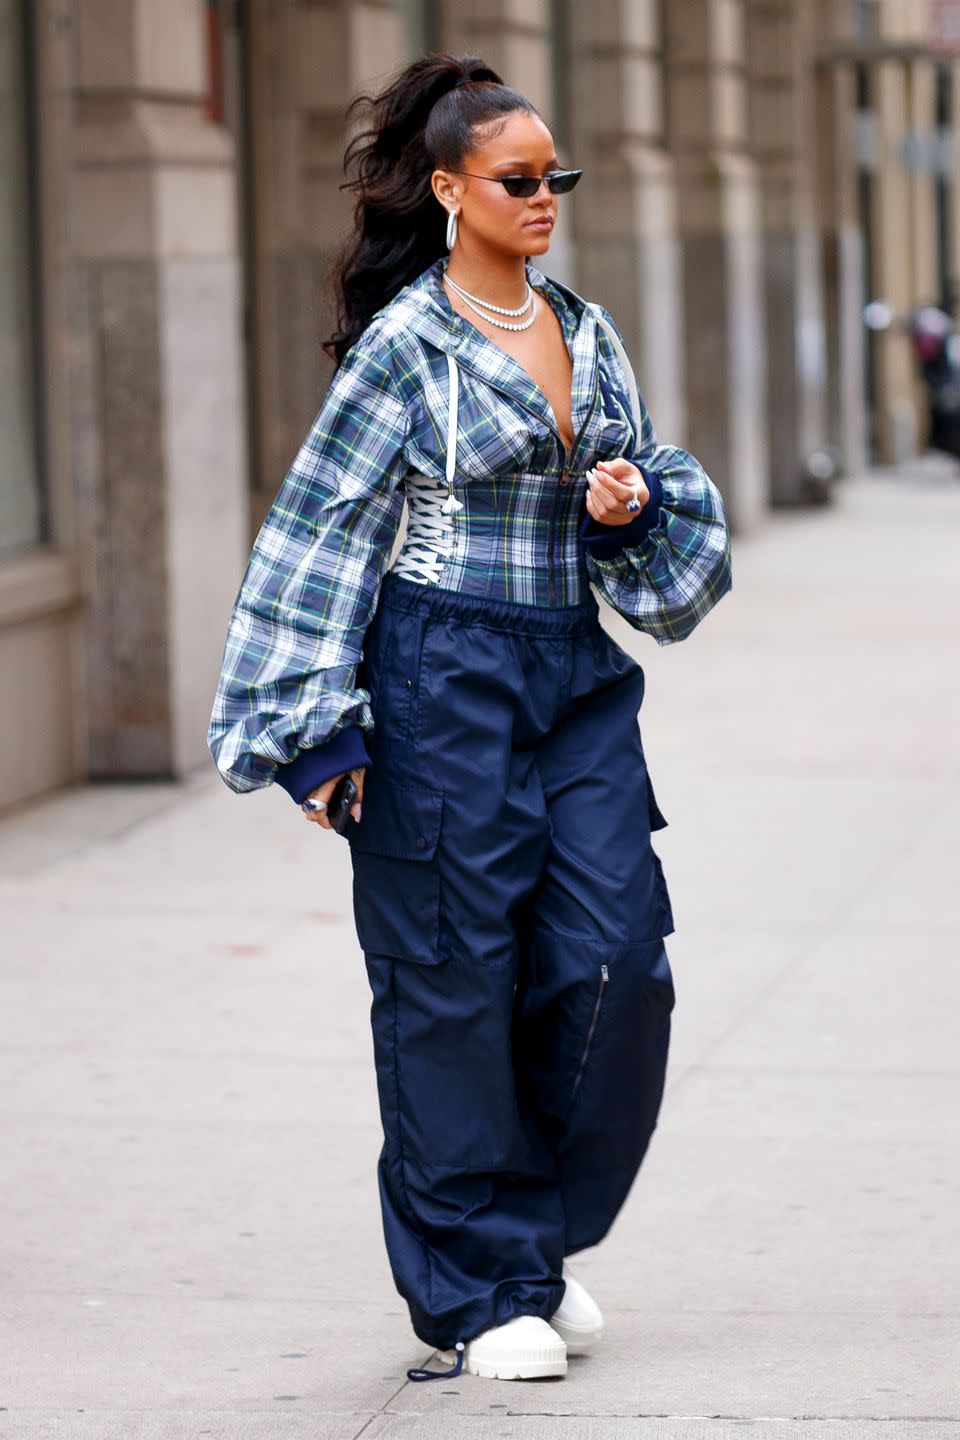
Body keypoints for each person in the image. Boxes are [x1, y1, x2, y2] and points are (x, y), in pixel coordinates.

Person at [207, 52, 732, 1383]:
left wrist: (630, 503)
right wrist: (316, 735)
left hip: (571, 677)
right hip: (438, 678)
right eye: (518, 177)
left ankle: (531, 1238)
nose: (545, 194)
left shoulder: (584, 326)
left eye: (557, 174)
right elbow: (318, 530)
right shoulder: (406, 347)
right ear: (449, 190)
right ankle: (482, 1279)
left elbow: (654, 543)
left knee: (617, 957)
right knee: (452, 984)